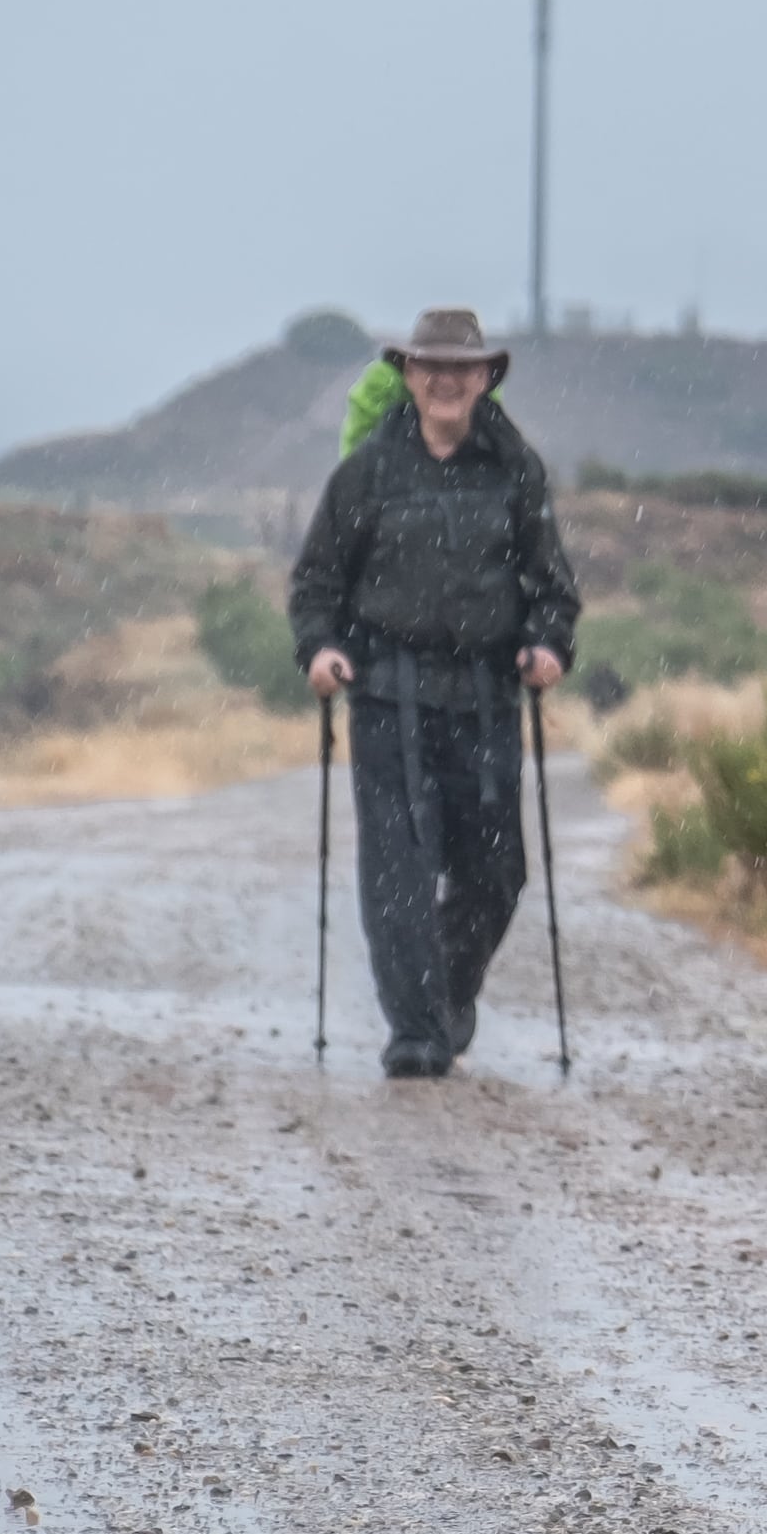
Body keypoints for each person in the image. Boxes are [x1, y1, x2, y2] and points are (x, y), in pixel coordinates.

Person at [288, 307, 582, 1079]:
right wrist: (320, 650)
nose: (446, 381)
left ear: (486, 378)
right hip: (387, 698)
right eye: (431, 367)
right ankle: (415, 1032)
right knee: (399, 870)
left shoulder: (517, 471)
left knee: (496, 873)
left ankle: (447, 995)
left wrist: (548, 644)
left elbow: (554, 589)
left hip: (486, 699)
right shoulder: (366, 475)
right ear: (408, 376)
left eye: (462, 368)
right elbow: (317, 582)